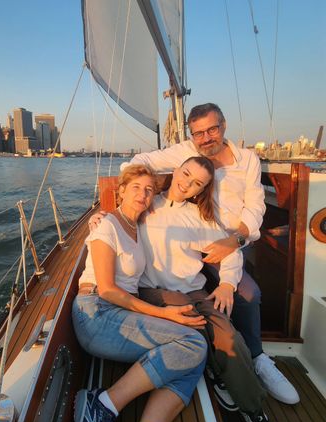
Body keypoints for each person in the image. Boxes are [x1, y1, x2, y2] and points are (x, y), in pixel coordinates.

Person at [90, 157, 282, 422]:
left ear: (200, 190)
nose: (187, 183)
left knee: (229, 337)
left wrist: (228, 283)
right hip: (154, 290)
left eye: (197, 183)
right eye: (186, 173)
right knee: (190, 319)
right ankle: (217, 371)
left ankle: (254, 410)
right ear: (176, 170)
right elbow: (120, 217)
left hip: (195, 289)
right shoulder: (146, 202)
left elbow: (230, 249)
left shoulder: (199, 217)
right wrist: (100, 217)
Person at [119, 103, 299, 406]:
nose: (206, 138)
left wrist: (235, 239)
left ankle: (257, 358)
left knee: (247, 294)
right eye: (198, 133)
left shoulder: (247, 160)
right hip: (195, 242)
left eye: (212, 129)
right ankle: (221, 364)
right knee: (196, 303)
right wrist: (128, 204)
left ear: (224, 125)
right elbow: (138, 162)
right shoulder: (185, 153)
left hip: (232, 242)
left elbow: (256, 205)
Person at [72, 164, 208, 422]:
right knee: (193, 345)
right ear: (120, 190)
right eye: (135, 187)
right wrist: (164, 314)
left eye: (149, 190)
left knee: (196, 354)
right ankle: (104, 403)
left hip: (119, 314)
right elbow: (108, 289)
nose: (143, 194)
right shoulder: (107, 225)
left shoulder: (136, 228)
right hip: (96, 312)